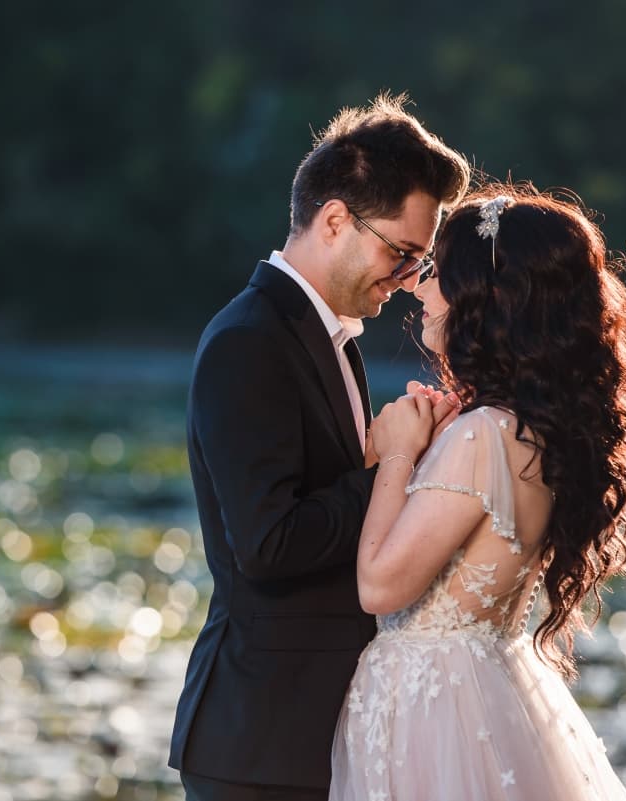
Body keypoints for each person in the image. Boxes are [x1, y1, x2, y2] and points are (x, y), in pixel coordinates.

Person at [168, 94, 471, 800]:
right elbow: (267, 543)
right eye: (400, 253)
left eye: (416, 263)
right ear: (335, 220)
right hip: (259, 741)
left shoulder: (328, 338)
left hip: (317, 732)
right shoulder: (250, 340)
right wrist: (396, 462)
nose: (405, 281)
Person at [330, 186, 626, 800]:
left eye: (437, 275)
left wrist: (398, 452)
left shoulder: (482, 434)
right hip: (485, 692)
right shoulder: (531, 430)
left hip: (434, 713)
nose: (420, 290)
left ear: (486, 299)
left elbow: (380, 587)